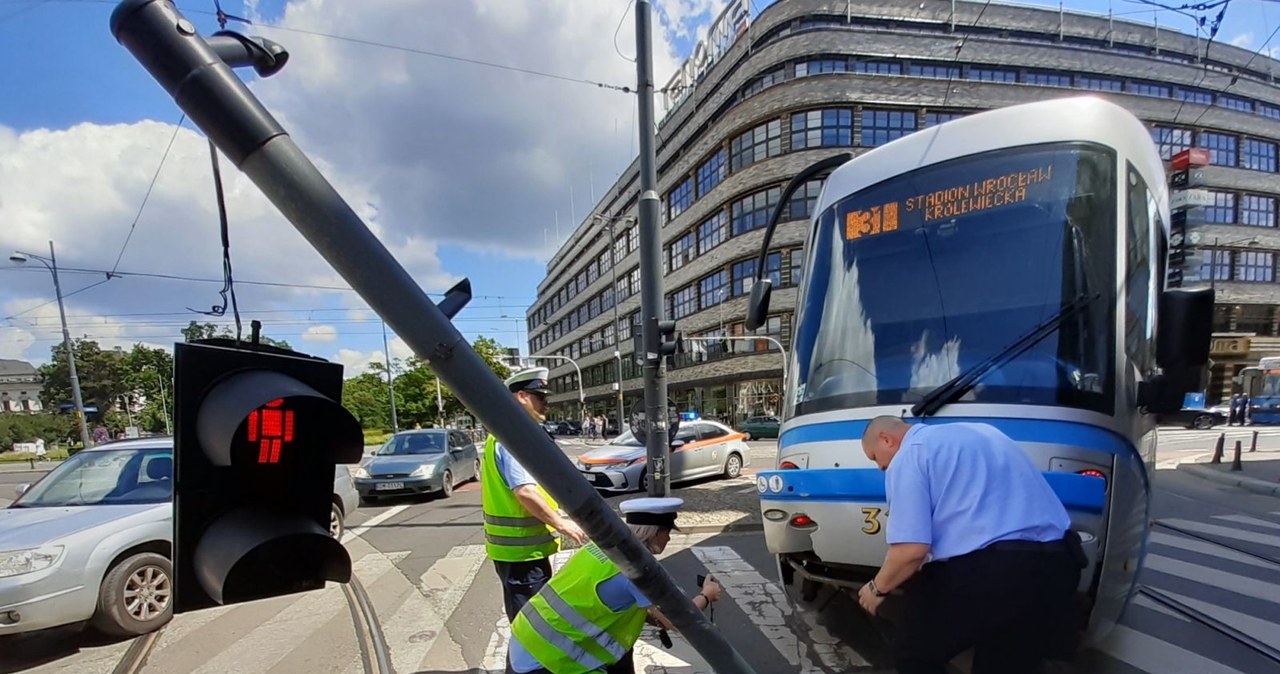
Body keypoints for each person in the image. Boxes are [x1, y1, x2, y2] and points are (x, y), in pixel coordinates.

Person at [857, 416, 1083, 674]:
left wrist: (877, 589)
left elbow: (910, 550)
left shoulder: (911, 454)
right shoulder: (983, 433)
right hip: (1058, 564)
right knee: (1004, 661)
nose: (880, 467)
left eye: (875, 457)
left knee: (913, 654)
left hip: (995, 571)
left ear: (886, 439)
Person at [506, 497, 723, 674]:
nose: (668, 539)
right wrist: (706, 595)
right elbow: (674, 619)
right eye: (667, 532)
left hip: (525, 640)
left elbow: (606, 598)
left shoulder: (601, 547)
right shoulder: (637, 569)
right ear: (655, 532)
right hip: (550, 661)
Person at [482, 366, 589, 622]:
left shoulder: (503, 432)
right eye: (540, 397)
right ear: (521, 396)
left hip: (518, 552)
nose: (546, 404)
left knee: (526, 621)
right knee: (532, 626)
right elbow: (525, 491)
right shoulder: (512, 436)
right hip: (522, 553)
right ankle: (526, 664)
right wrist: (561, 524)